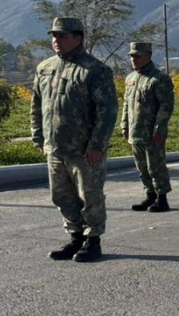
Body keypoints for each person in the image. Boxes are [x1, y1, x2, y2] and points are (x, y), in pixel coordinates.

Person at [32, 17, 117, 263]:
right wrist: (39, 137)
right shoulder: (45, 67)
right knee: (61, 196)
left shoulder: (95, 70)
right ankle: (75, 236)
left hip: (84, 149)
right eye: (54, 36)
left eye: (62, 36)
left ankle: (93, 240)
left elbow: (107, 110)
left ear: (77, 38)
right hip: (55, 147)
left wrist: (97, 145)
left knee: (90, 195)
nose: (56, 40)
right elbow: (36, 105)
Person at [122, 42, 174, 213]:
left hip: (152, 133)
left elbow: (165, 106)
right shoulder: (130, 78)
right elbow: (126, 104)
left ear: (148, 56)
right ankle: (149, 194)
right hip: (135, 131)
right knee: (142, 167)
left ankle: (162, 198)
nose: (133, 59)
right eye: (131, 56)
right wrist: (124, 124)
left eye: (137, 56)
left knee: (155, 167)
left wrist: (159, 128)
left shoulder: (159, 79)